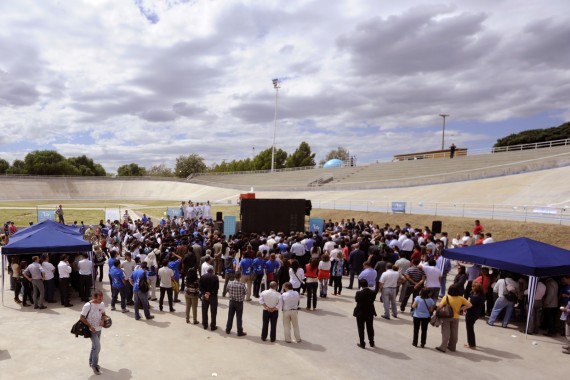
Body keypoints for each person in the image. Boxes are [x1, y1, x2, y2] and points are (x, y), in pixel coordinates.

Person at [435, 284, 472, 353]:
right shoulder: (461, 298)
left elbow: (440, 306)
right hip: (456, 317)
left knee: (445, 332)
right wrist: (462, 308)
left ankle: (443, 347)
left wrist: (436, 311)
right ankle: (452, 347)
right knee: (454, 333)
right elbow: (470, 305)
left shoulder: (446, 297)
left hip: (447, 316)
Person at [80, 289, 106, 375]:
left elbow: (103, 314)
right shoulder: (88, 305)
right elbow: (82, 317)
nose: (101, 301)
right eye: (99, 299)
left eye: (101, 299)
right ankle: (94, 366)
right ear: (94, 297)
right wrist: (90, 326)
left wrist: (103, 320)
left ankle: (91, 362)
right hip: (92, 330)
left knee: (94, 347)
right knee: (97, 347)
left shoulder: (101, 304)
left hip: (99, 329)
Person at [354, 278, 377, 349]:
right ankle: (371, 342)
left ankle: (362, 343)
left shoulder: (359, 293)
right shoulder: (373, 293)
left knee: (361, 328)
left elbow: (356, 300)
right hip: (369, 312)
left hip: (360, 312)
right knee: (370, 327)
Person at [225, 271, 247, 336]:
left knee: (230, 316)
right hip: (239, 302)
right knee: (239, 317)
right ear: (240, 277)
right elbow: (245, 292)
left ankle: (228, 329)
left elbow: (227, 290)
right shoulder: (242, 284)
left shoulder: (230, 283)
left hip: (232, 301)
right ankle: (239, 331)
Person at [465, 282, 484, 349]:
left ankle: (471, 344)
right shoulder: (481, 296)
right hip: (476, 314)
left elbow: (469, 305)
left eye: (473, 287)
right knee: (470, 328)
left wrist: (463, 308)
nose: (471, 288)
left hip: (471, 314)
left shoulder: (475, 297)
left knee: (469, 329)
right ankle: (471, 342)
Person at [200, 267, 219, 331]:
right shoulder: (215, 277)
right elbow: (217, 288)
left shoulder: (202, 277)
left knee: (204, 310)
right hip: (213, 296)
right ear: (212, 271)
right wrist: (210, 293)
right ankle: (213, 326)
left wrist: (205, 293)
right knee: (213, 311)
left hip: (204, 296)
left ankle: (205, 325)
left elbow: (200, 287)